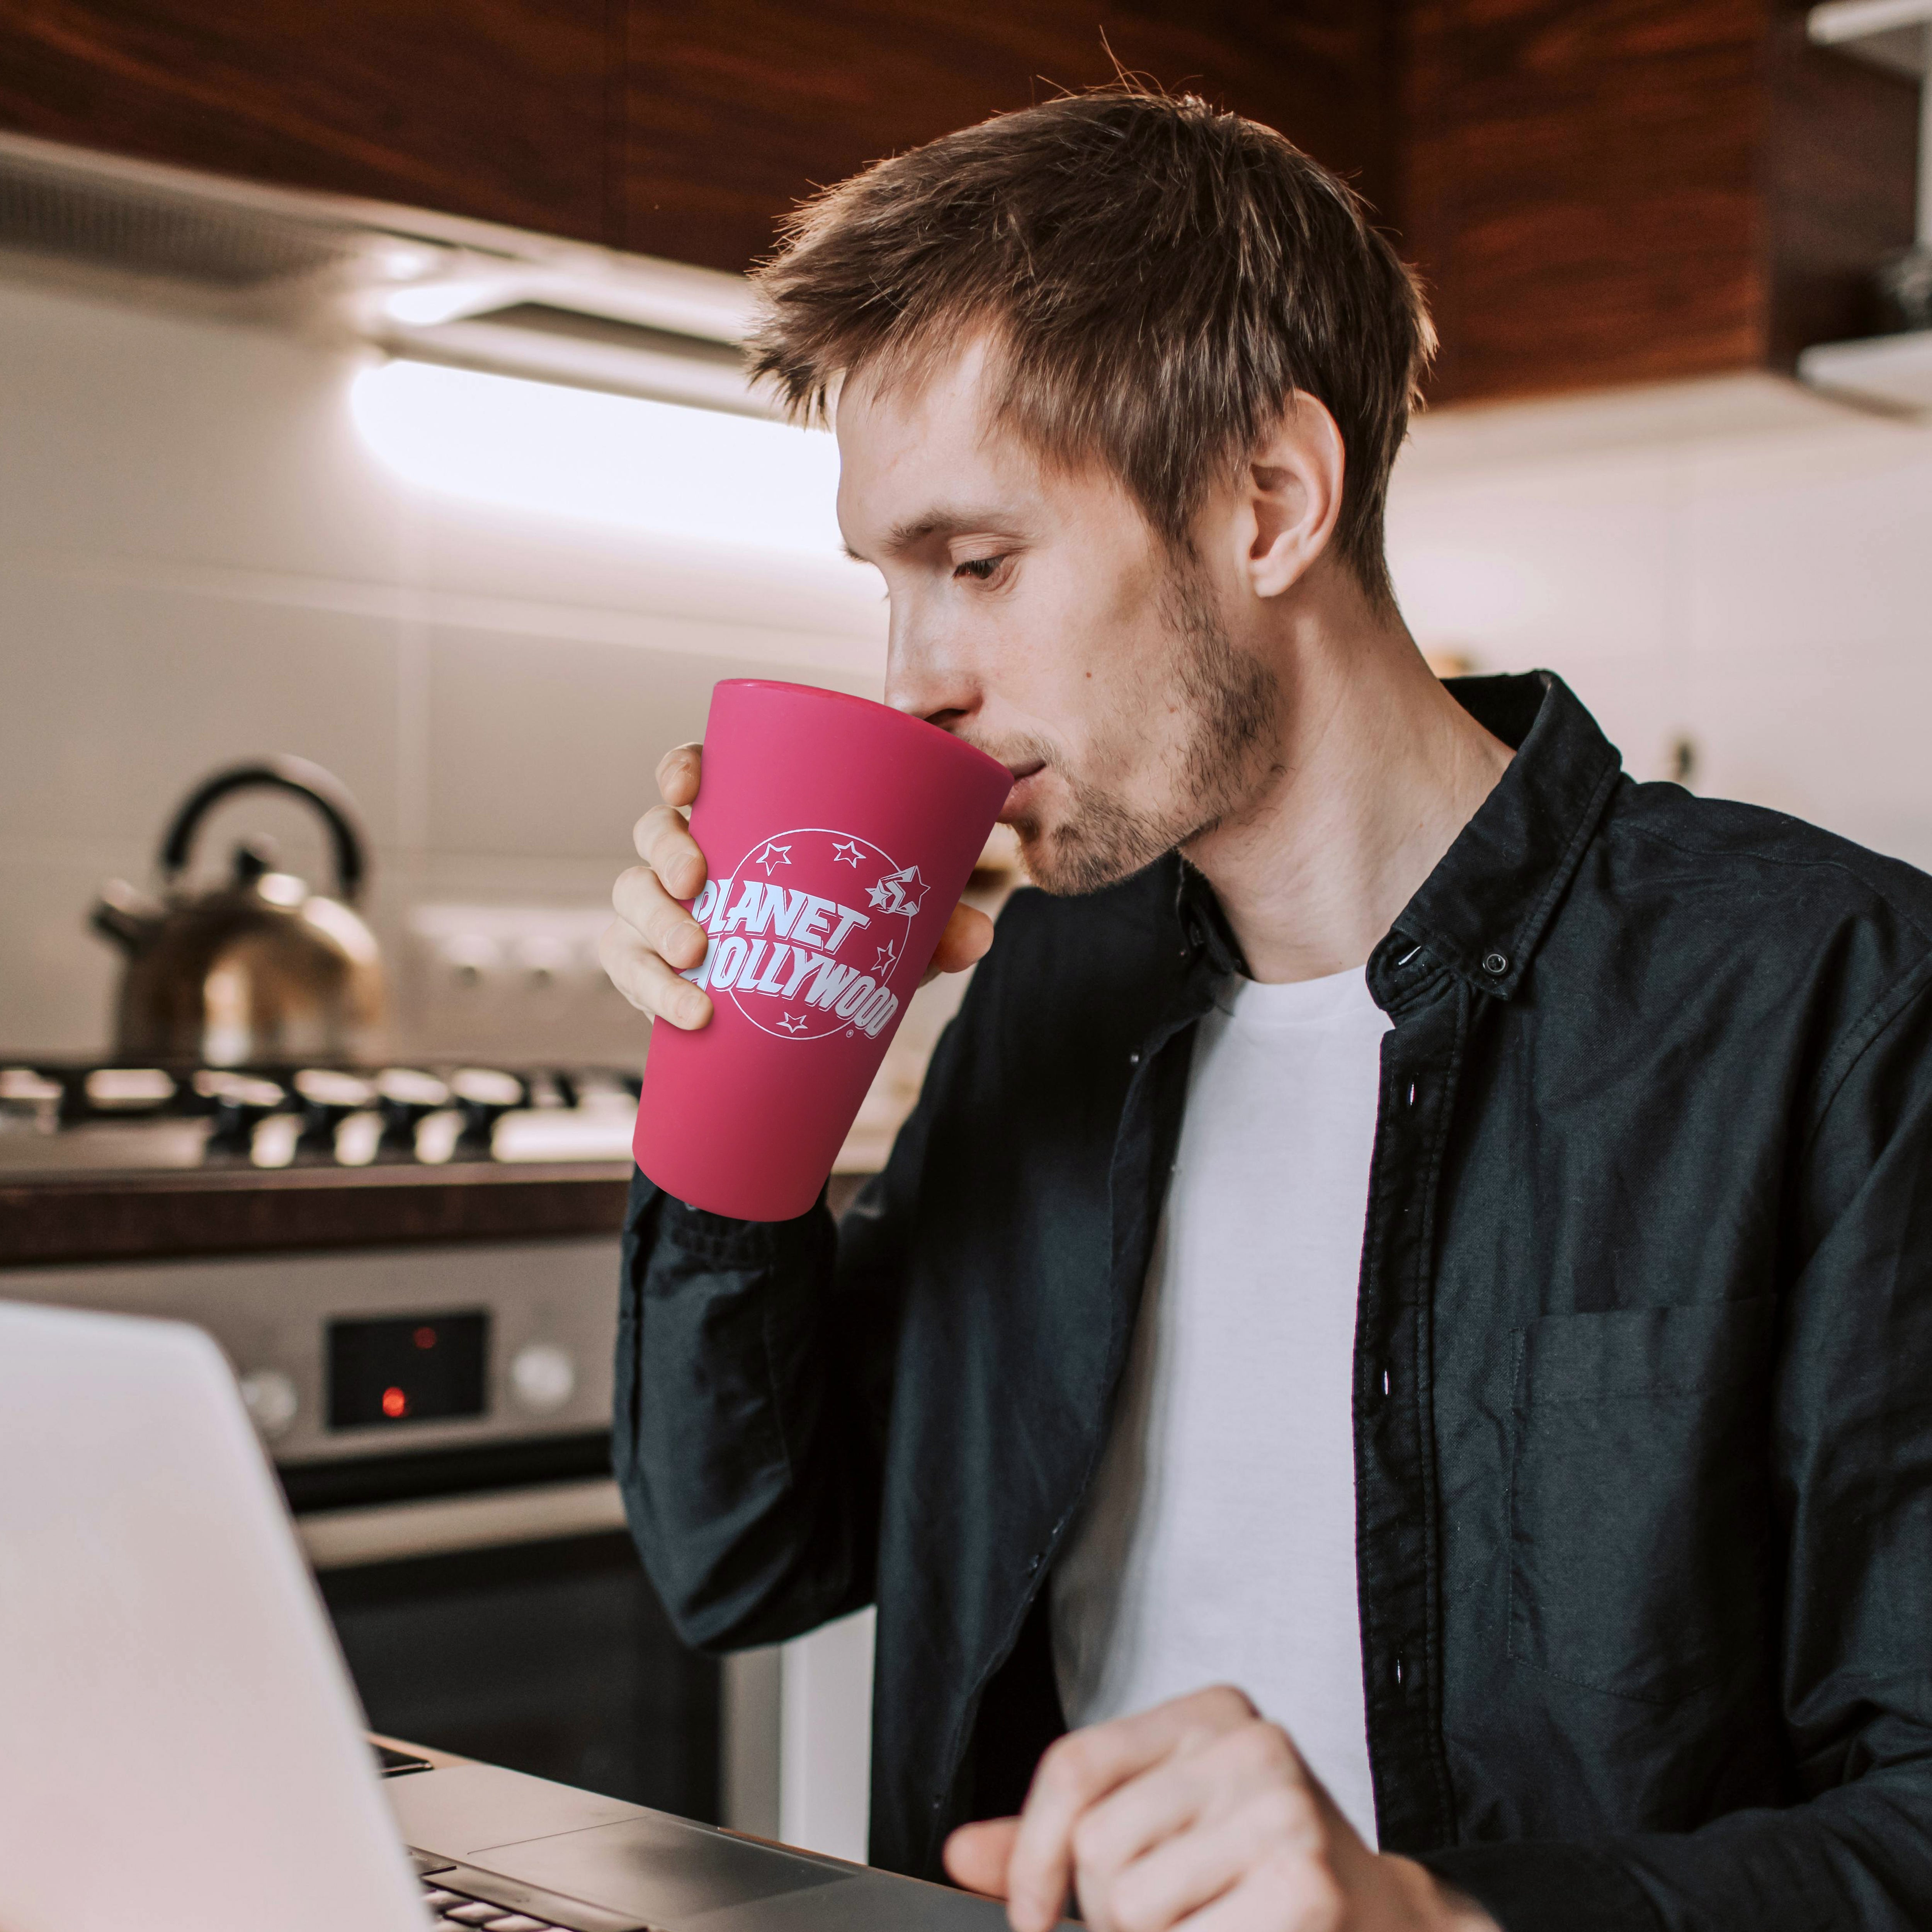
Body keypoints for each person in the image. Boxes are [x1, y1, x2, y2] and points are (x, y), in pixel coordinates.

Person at [599, 87, 1932, 1932]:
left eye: (975, 564)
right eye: (886, 584)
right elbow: (739, 1557)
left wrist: (1433, 1916)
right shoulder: (1055, 981)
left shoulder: (1827, 998)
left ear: (1266, 500)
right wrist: (735, 1064)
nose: (911, 682)